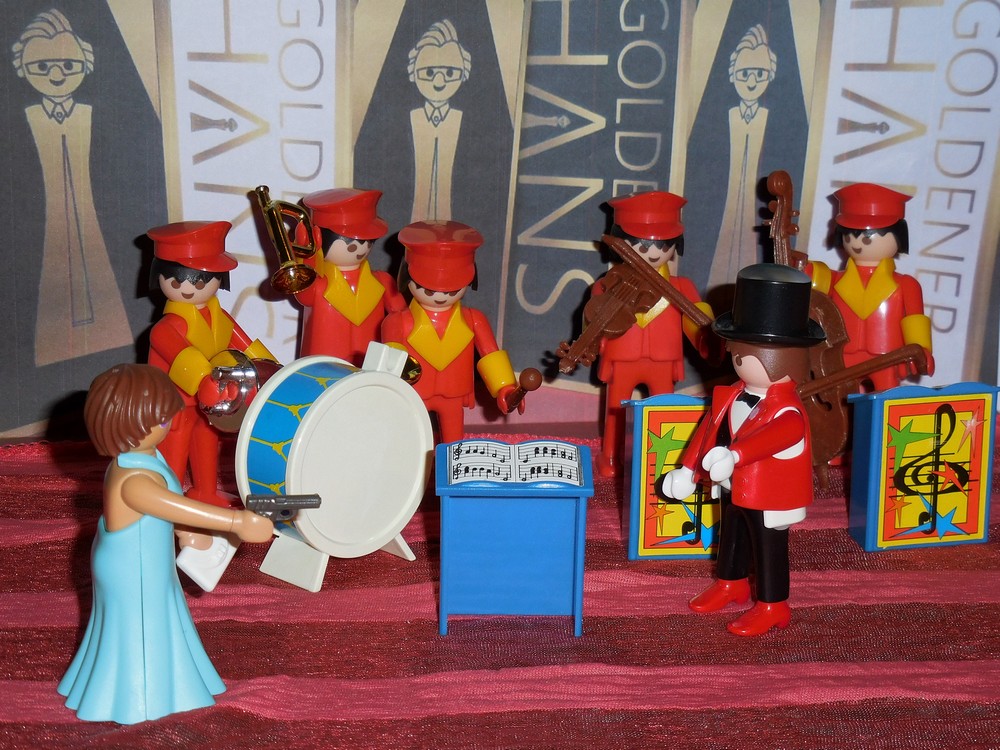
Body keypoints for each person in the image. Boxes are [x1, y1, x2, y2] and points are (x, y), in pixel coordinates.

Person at [58, 364, 273, 724]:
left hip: (146, 560)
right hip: (132, 570)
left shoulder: (146, 459)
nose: (170, 422)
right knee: (140, 628)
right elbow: (173, 505)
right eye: (160, 418)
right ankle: (135, 698)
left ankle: (172, 684)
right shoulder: (134, 481)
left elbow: (168, 510)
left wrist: (184, 533)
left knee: (160, 619)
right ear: (128, 424)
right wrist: (236, 522)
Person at [660, 264, 825, 636]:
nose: (738, 361)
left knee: (768, 549)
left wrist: (735, 457)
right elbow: (707, 432)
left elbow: (777, 436)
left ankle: (773, 604)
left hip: (769, 496)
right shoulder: (730, 394)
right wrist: (687, 470)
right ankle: (730, 582)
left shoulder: (788, 410)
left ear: (783, 359)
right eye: (738, 353)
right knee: (731, 537)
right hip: (732, 488)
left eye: (747, 355)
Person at [147, 220, 276, 506]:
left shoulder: (220, 318)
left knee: (207, 445)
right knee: (174, 449)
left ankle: (205, 492)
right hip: (176, 403)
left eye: (201, 281)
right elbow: (182, 354)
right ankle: (168, 500)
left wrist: (271, 369)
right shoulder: (168, 326)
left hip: (213, 403)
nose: (189, 289)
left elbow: (247, 346)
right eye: (177, 281)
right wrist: (207, 381)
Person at [589, 192, 714, 477]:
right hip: (622, 358)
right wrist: (592, 341)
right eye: (642, 245)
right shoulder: (608, 285)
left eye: (664, 244)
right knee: (615, 410)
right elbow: (593, 320)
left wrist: (706, 337)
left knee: (664, 412)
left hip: (663, 360)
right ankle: (611, 456)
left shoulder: (681, 287)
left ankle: (661, 461)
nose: (654, 252)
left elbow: (696, 320)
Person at [381, 220, 525, 443]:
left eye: (453, 289)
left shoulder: (473, 319)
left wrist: (505, 387)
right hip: (413, 392)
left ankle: (451, 465)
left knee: (453, 443)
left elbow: (490, 353)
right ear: (407, 277)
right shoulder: (397, 322)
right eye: (428, 289)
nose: (440, 296)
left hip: (454, 393)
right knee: (410, 440)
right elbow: (390, 360)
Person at [808, 182, 933, 391]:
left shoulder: (905, 284)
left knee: (885, 400)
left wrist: (921, 350)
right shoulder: (836, 280)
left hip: (886, 358)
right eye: (849, 236)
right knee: (841, 399)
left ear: (898, 235)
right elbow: (814, 278)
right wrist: (801, 267)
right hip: (843, 356)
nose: (856, 244)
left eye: (867, 238)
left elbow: (915, 320)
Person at [293, 188, 404, 364]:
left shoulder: (381, 281)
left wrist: (394, 344)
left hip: (368, 367)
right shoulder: (317, 285)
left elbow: (401, 316)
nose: (361, 249)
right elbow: (302, 293)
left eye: (367, 242)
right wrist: (307, 253)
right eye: (350, 244)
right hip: (323, 369)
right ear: (319, 239)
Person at [407, 19, 471, 221]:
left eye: (450, 72)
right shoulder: (410, 119)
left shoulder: (465, 122)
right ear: (413, 73)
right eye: (429, 72)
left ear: (464, 73)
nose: (439, 81)